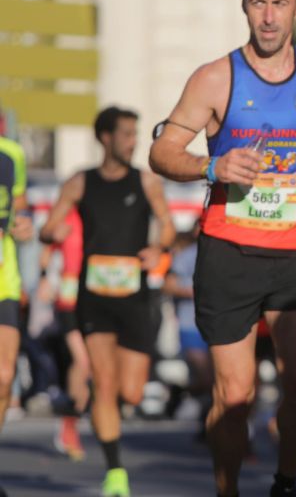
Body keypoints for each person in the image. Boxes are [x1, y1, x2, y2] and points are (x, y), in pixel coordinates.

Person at [148, 0, 296, 497]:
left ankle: (285, 483)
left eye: (279, 3)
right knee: (234, 396)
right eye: (258, 3)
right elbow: (163, 151)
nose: (268, 17)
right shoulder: (216, 78)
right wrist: (212, 166)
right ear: (244, 6)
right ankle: (228, 489)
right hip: (229, 253)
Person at [40, 106, 176, 497]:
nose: (133, 142)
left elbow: (167, 225)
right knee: (103, 381)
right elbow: (50, 226)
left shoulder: (146, 182)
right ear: (105, 138)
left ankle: (108, 413)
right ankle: (116, 472)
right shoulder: (80, 182)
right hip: (93, 297)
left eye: (135, 134)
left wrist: (158, 246)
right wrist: (53, 232)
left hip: (134, 298)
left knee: (130, 391)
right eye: (127, 134)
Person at [38, 207, 90, 460]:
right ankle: (69, 424)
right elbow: (46, 247)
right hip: (68, 296)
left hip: (93, 292)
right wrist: (44, 278)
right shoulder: (67, 215)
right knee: (82, 361)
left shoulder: (98, 214)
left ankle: (71, 422)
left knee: (86, 366)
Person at [162, 226, 213, 442]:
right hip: (190, 323)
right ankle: (181, 392)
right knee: (205, 377)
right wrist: (195, 290)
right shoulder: (187, 255)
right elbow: (168, 285)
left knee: (219, 381)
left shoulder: (229, 254)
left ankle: (206, 424)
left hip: (218, 325)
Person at [0, 113, 33, 438]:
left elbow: (20, 206)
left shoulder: (11, 154)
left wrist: (23, 223)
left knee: (4, 377)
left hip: (3, 280)